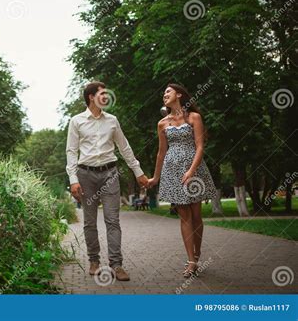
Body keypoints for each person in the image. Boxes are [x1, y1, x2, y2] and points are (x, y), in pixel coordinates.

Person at [66, 81, 149, 281]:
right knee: (89, 221)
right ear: (91, 97)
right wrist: (73, 179)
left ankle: (117, 264)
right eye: (102, 94)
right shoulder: (76, 121)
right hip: (85, 175)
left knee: (113, 220)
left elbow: (125, 147)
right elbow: (71, 151)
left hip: (110, 173)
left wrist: (138, 172)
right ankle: (94, 260)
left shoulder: (112, 121)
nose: (106, 97)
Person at [148, 83, 216, 278]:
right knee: (185, 216)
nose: (164, 95)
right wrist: (156, 177)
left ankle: (197, 252)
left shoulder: (194, 117)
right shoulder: (162, 123)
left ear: (178, 94)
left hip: (194, 170)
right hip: (172, 171)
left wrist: (192, 171)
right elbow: (161, 153)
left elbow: (200, 146)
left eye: (167, 92)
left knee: (196, 215)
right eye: (163, 93)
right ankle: (191, 261)